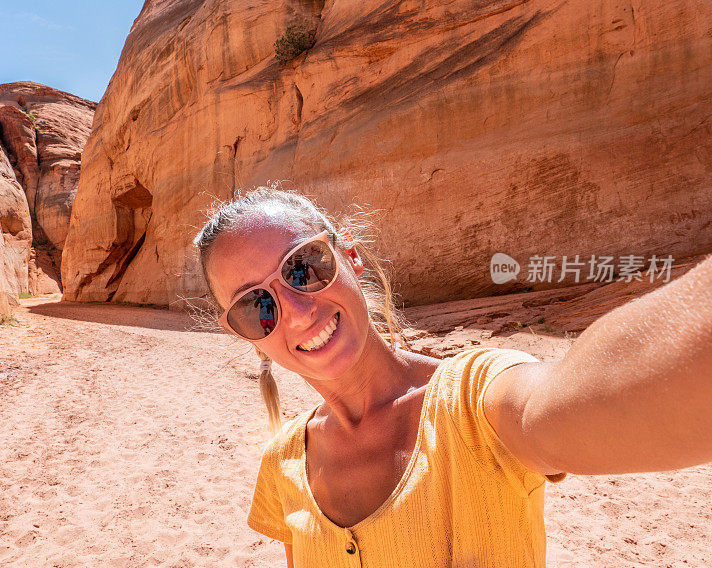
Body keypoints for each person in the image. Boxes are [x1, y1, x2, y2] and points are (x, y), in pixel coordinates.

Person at [193, 186, 712, 568]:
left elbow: (580, 397)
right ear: (243, 334)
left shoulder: (474, 402)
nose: (297, 311)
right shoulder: (283, 462)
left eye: (303, 267)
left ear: (347, 254)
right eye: (256, 306)